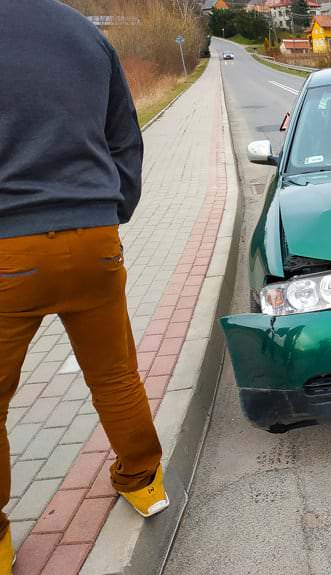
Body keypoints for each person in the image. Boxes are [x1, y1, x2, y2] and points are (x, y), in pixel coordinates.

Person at [0, 1, 168, 569]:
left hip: (7, 249)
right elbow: (124, 137)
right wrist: (111, 207)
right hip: (94, 237)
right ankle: (144, 482)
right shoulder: (81, 32)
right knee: (115, 371)